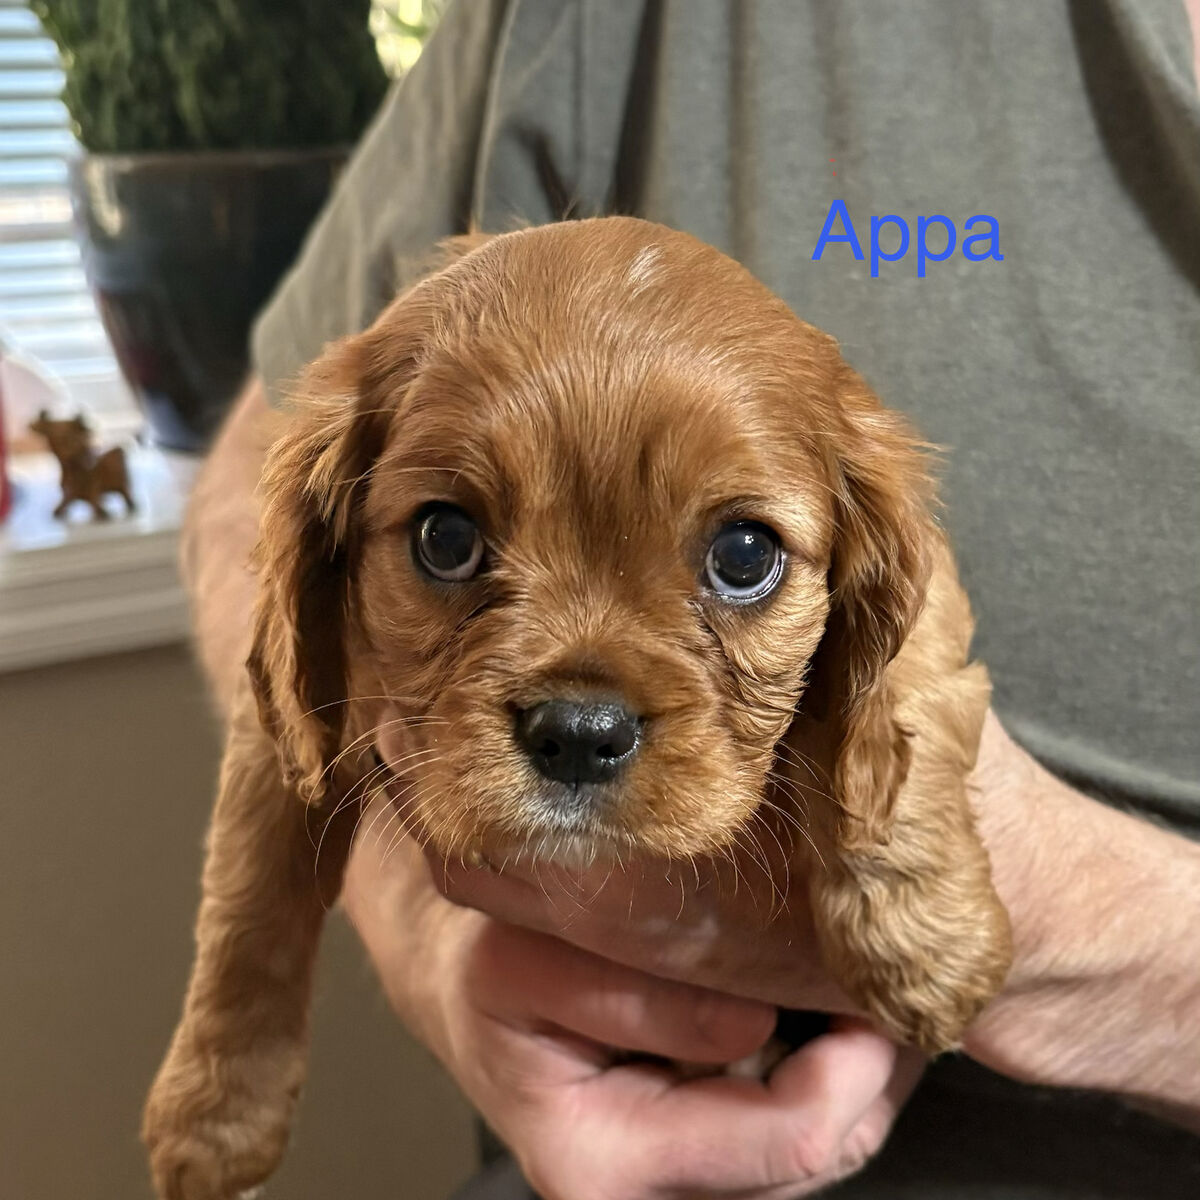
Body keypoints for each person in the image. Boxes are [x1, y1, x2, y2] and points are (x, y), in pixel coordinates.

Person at [183, 2, 1200, 1197]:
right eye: (449, 540)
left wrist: (927, 877)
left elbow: (915, 634)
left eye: (739, 559)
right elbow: (258, 532)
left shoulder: (878, 546)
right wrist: (409, 941)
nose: (581, 714)